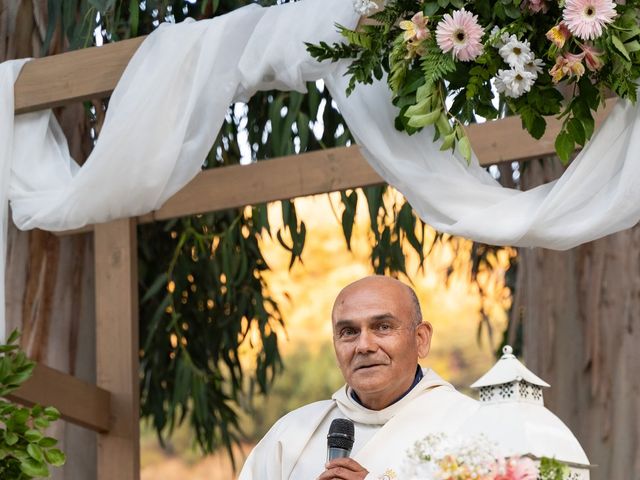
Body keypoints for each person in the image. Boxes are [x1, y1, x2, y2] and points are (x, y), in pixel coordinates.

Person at [238, 275, 479, 480]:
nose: (364, 346)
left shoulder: (470, 425)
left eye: (383, 327)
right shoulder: (291, 435)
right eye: (349, 332)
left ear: (421, 339)